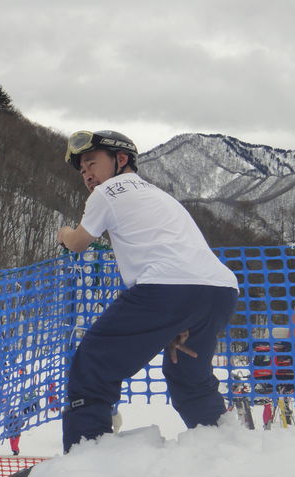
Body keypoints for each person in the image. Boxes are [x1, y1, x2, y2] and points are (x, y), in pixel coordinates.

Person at [57, 130, 238, 453]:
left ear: (121, 159)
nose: (87, 175)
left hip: (165, 288)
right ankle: (224, 449)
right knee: (188, 374)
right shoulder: (159, 195)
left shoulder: (107, 192)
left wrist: (64, 233)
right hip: (219, 290)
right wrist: (179, 318)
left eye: (91, 163)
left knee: (93, 364)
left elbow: (78, 243)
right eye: (82, 170)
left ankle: (87, 457)